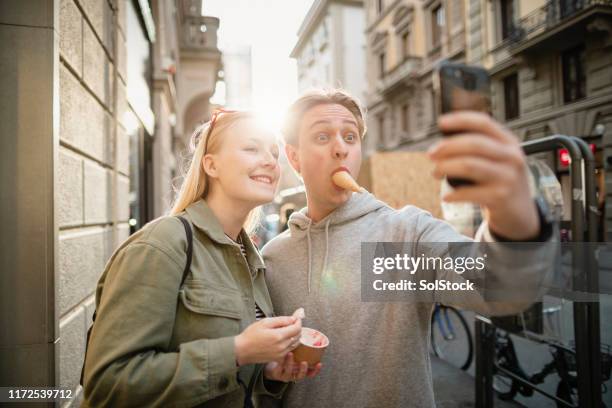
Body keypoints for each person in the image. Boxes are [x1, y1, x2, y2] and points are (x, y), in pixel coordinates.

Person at [261, 89, 555, 407]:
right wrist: (268, 374)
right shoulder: (273, 258)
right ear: (294, 158)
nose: (340, 149)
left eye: (350, 137)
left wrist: (513, 217)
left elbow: (499, 287)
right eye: (322, 137)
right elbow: (261, 373)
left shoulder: (406, 233)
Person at [81, 110, 321, 407]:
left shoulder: (252, 259)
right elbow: (108, 385)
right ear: (211, 164)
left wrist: (267, 373)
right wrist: (238, 351)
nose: (271, 161)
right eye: (251, 148)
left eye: (274, 152)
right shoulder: (162, 244)